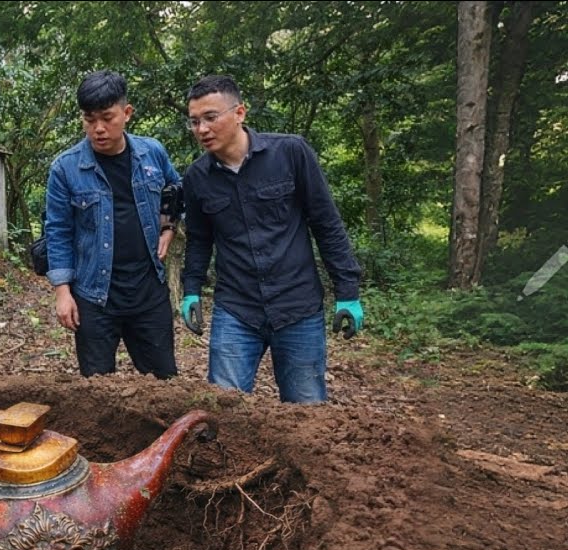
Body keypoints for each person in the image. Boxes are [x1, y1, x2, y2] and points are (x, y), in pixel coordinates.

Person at [177, 75, 364, 404]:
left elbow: (326, 222)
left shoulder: (290, 153)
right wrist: (191, 289)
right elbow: (199, 239)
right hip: (236, 309)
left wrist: (347, 291)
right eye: (194, 122)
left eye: (210, 117)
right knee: (223, 407)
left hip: (297, 306)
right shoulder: (196, 178)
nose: (201, 129)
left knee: (306, 411)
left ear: (239, 113)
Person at [44, 70, 182, 379]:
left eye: (107, 118)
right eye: (89, 119)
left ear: (127, 113)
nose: (99, 129)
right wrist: (62, 292)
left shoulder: (152, 154)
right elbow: (58, 230)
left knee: (165, 382)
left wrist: (169, 227)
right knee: (97, 389)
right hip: (95, 294)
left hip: (148, 291)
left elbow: (176, 190)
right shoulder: (66, 168)